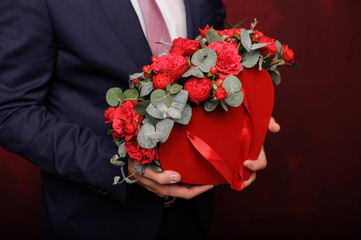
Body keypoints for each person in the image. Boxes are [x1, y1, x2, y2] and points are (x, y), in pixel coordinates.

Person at [0, 0, 280, 239]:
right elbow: (11, 110)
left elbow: (214, 65)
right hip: (96, 220)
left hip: (192, 217)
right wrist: (123, 166)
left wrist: (243, 127)